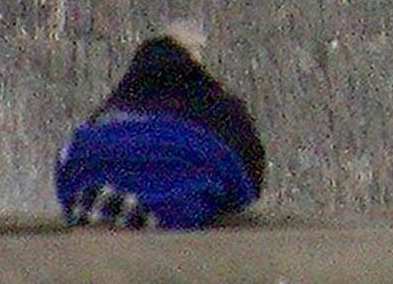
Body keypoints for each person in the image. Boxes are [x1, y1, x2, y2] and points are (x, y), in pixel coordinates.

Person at [54, 30, 266, 230]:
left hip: (99, 202)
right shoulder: (218, 111)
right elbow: (247, 180)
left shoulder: (106, 116)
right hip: (179, 203)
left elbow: (65, 172)